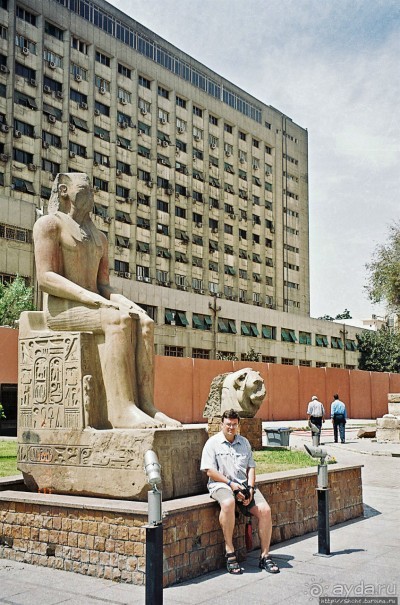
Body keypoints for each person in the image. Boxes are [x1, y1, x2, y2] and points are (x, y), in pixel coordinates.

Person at [33, 172, 180, 429]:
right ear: (65, 190)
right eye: (84, 188)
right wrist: (90, 298)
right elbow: (45, 277)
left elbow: (103, 285)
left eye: (92, 190)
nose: (91, 193)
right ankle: (121, 409)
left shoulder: (99, 237)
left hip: (90, 304)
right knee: (118, 320)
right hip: (61, 308)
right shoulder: (49, 225)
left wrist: (127, 303)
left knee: (144, 323)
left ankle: (146, 405)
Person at [200, 409, 279, 575]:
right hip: (221, 484)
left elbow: (251, 467)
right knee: (228, 503)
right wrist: (231, 485)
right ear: (222, 424)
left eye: (234, 424)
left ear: (238, 425)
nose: (231, 427)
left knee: (265, 510)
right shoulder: (212, 443)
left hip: (243, 485)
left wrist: (250, 488)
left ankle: (265, 556)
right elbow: (209, 471)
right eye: (228, 424)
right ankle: (230, 551)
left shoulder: (244, 443)